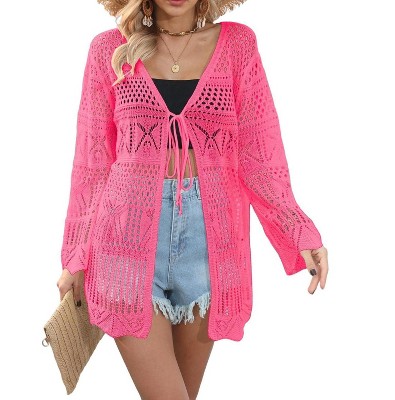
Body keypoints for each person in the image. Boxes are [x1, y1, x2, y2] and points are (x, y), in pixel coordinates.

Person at [56, 0, 329, 399]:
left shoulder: (238, 46)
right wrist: (76, 255)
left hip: (211, 246)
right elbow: (93, 163)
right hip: (124, 244)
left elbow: (259, 154)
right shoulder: (109, 50)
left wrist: (298, 230)